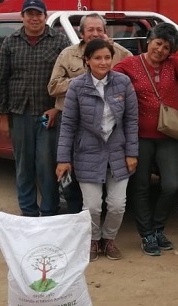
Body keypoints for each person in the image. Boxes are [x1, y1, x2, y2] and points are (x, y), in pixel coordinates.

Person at [113, 23, 178, 256]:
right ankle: (147, 233)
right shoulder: (129, 64)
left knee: (172, 183)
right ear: (149, 40)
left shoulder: (174, 65)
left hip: (168, 135)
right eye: (158, 43)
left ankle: (159, 227)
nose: (160, 50)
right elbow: (112, 80)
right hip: (138, 136)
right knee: (140, 186)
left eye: (167, 47)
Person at [55, 39, 139, 262]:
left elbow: (131, 120)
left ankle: (108, 239)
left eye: (107, 57)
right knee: (91, 206)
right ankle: (93, 239)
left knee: (117, 204)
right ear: (87, 61)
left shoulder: (123, 83)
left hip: (118, 152)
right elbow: (68, 124)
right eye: (97, 58)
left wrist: (132, 153)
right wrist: (63, 159)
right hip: (88, 152)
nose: (103, 62)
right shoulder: (77, 86)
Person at [0, 0, 71, 217]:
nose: (34, 18)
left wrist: (58, 109)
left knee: (47, 165)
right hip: (20, 114)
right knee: (24, 165)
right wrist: (3, 117)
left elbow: (67, 79)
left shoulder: (59, 41)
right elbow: (2, 80)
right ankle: (28, 211)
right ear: (23, 17)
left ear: (45, 17)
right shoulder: (10, 41)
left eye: (39, 14)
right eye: (30, 14)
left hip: (49, 115)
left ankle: (49, 211)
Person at [48, 13, 132, 213]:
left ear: (105, 31)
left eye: (99, 30)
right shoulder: (68, 54)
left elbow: (135, 71)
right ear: (82, 33)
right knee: (70, 173)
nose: (95, 33)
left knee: (106, 176)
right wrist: (86, 82)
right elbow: (53, 86)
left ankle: (98, 219)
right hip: (73, 121)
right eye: (90, 30)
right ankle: (76, 214)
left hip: (107, 123)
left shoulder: (118, 52)